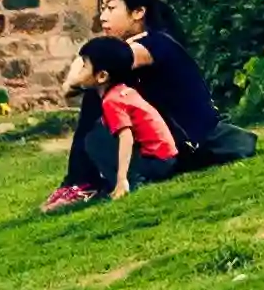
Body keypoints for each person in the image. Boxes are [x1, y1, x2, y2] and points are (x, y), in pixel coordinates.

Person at [95, 0, 249, 169]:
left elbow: (107, 62)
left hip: (192, 143)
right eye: (102, 9)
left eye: (110, 8)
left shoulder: (156, 43)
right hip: (170, 144)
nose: (103, 17)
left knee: (99, 95)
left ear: (138, 12)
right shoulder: (140, 45)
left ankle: (79, 182)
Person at [41, 37, 181, 210]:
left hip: (157, 163)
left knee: (94, 141)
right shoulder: (123, 91)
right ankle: (118, 180)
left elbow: (126, 137)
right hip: (166, 159)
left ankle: (125, 183)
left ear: (102, 76)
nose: (80, 72)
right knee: (100, 131)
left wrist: (122, 179)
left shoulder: (112, 101)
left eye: (84, 66)